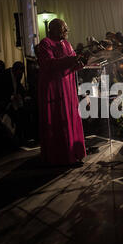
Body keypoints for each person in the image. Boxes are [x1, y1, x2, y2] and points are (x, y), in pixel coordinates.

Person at [36, 18, 86, 166]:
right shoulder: (45, 43)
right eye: (64, 28)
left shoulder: (67, 44)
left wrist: (79, 63)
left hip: (68, 86)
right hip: (54, 88)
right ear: (53, 29)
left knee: (70, 117)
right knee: (59, 119)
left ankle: (74, 153)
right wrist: (71, 60)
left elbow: (70, 64)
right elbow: (49, 64)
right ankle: (62, 157)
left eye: (66, 27)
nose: (66, 30)